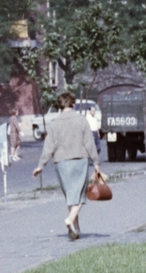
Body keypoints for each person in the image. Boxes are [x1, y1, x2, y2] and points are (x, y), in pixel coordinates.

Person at [33, 91, 105, 240]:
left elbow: (48, 146)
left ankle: (75, 229)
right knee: (80, 194)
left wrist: (41, 165)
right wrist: (96, 162)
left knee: (71, 195)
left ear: (59, 105)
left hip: (60, 162)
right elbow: (89, 143)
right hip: (79, 159)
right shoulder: (81, 120)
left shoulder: (54, 123)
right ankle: (70, 220)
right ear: (73, 103)